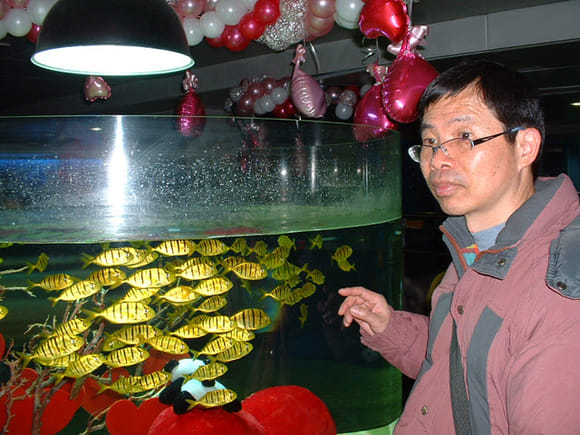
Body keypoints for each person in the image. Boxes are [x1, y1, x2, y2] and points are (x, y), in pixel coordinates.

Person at [338, 60, 580, 434]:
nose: (438, 160)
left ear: (526, 146)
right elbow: (463, 371)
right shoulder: (475, 247)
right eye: (430, 142)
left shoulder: (560, 292)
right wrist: (389, 326)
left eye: (464, 137)